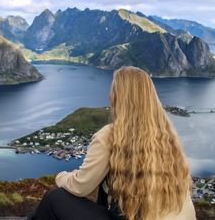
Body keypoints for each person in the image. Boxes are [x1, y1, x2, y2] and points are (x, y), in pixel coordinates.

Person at [28, 66, 196, 220]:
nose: (109, 95)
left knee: (55, 198)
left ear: (120, 97)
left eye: (113, 89)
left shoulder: (109, 135)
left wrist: (62, 177)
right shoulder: (167, 134)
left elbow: (81, 187)